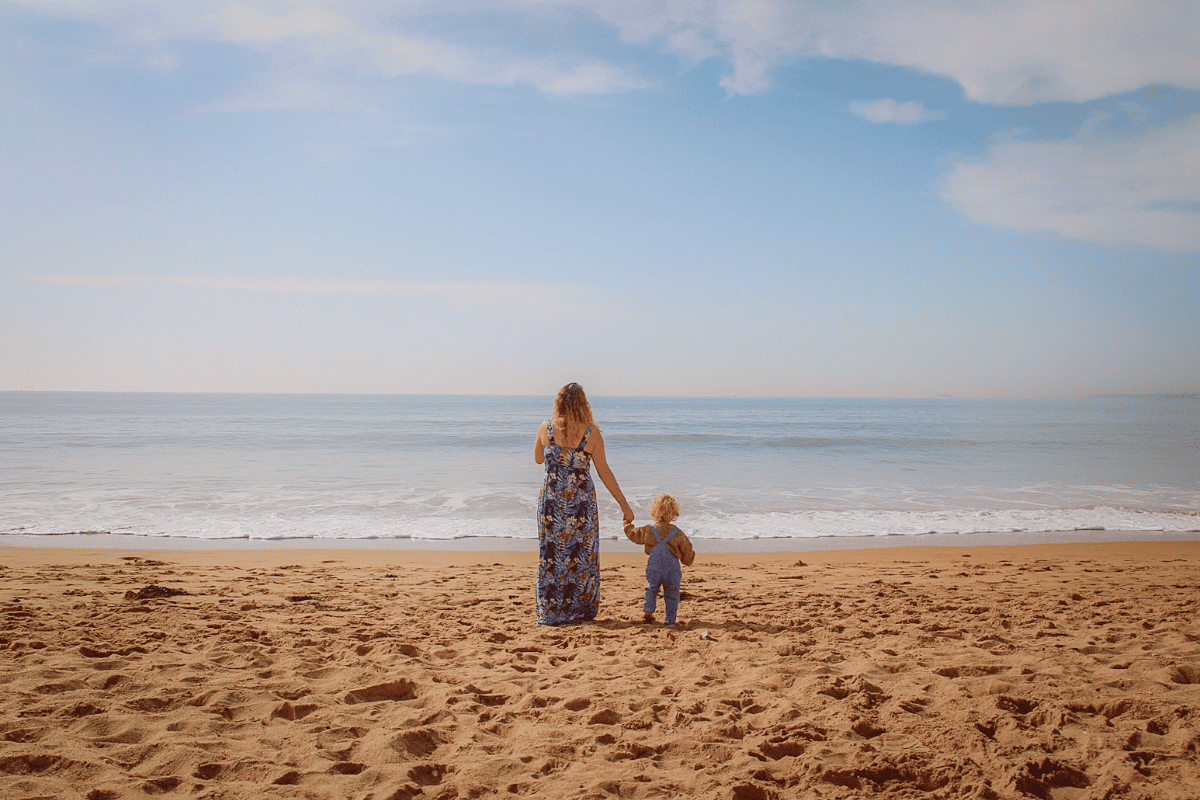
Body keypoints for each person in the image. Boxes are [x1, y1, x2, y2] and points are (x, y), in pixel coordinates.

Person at [533, 383, 632, 625]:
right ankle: (579, 611)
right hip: (581, 504)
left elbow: (537, 459)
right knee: (581, 555)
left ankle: (552, 611)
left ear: (559, 404)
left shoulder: (545, 428)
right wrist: (624, 506)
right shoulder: (592, 434)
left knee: (552, 554)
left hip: (552, 502)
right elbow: (604, 472)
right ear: (584, 405)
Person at [623, 493, 695, 626]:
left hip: (654, 567)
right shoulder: (677, 533)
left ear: (654, 511)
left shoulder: (649, 530)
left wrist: (627, 523)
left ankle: (648, 611)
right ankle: (670, 620)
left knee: (652, 588)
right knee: (672, 593)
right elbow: (687, 550)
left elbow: (634, 535)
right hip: (672, 570)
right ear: (674, 513)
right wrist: (688, 560)